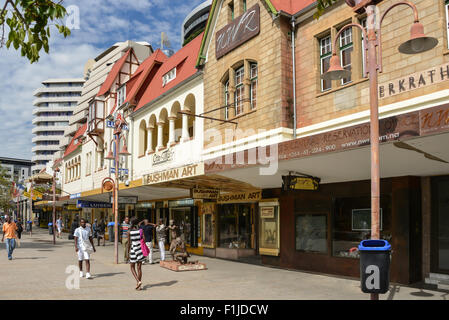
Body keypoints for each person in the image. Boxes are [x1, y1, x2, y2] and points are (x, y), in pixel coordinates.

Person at [127, 217, 145, 290]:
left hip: (133, 249)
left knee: (132, 267)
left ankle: (138, 281)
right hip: (140, 249)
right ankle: (139, 285)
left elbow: (129, 243)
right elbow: (144, 239)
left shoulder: (129, 232)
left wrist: (128, 253)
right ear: (137, 223)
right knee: (139, 267)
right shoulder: (140, 230)